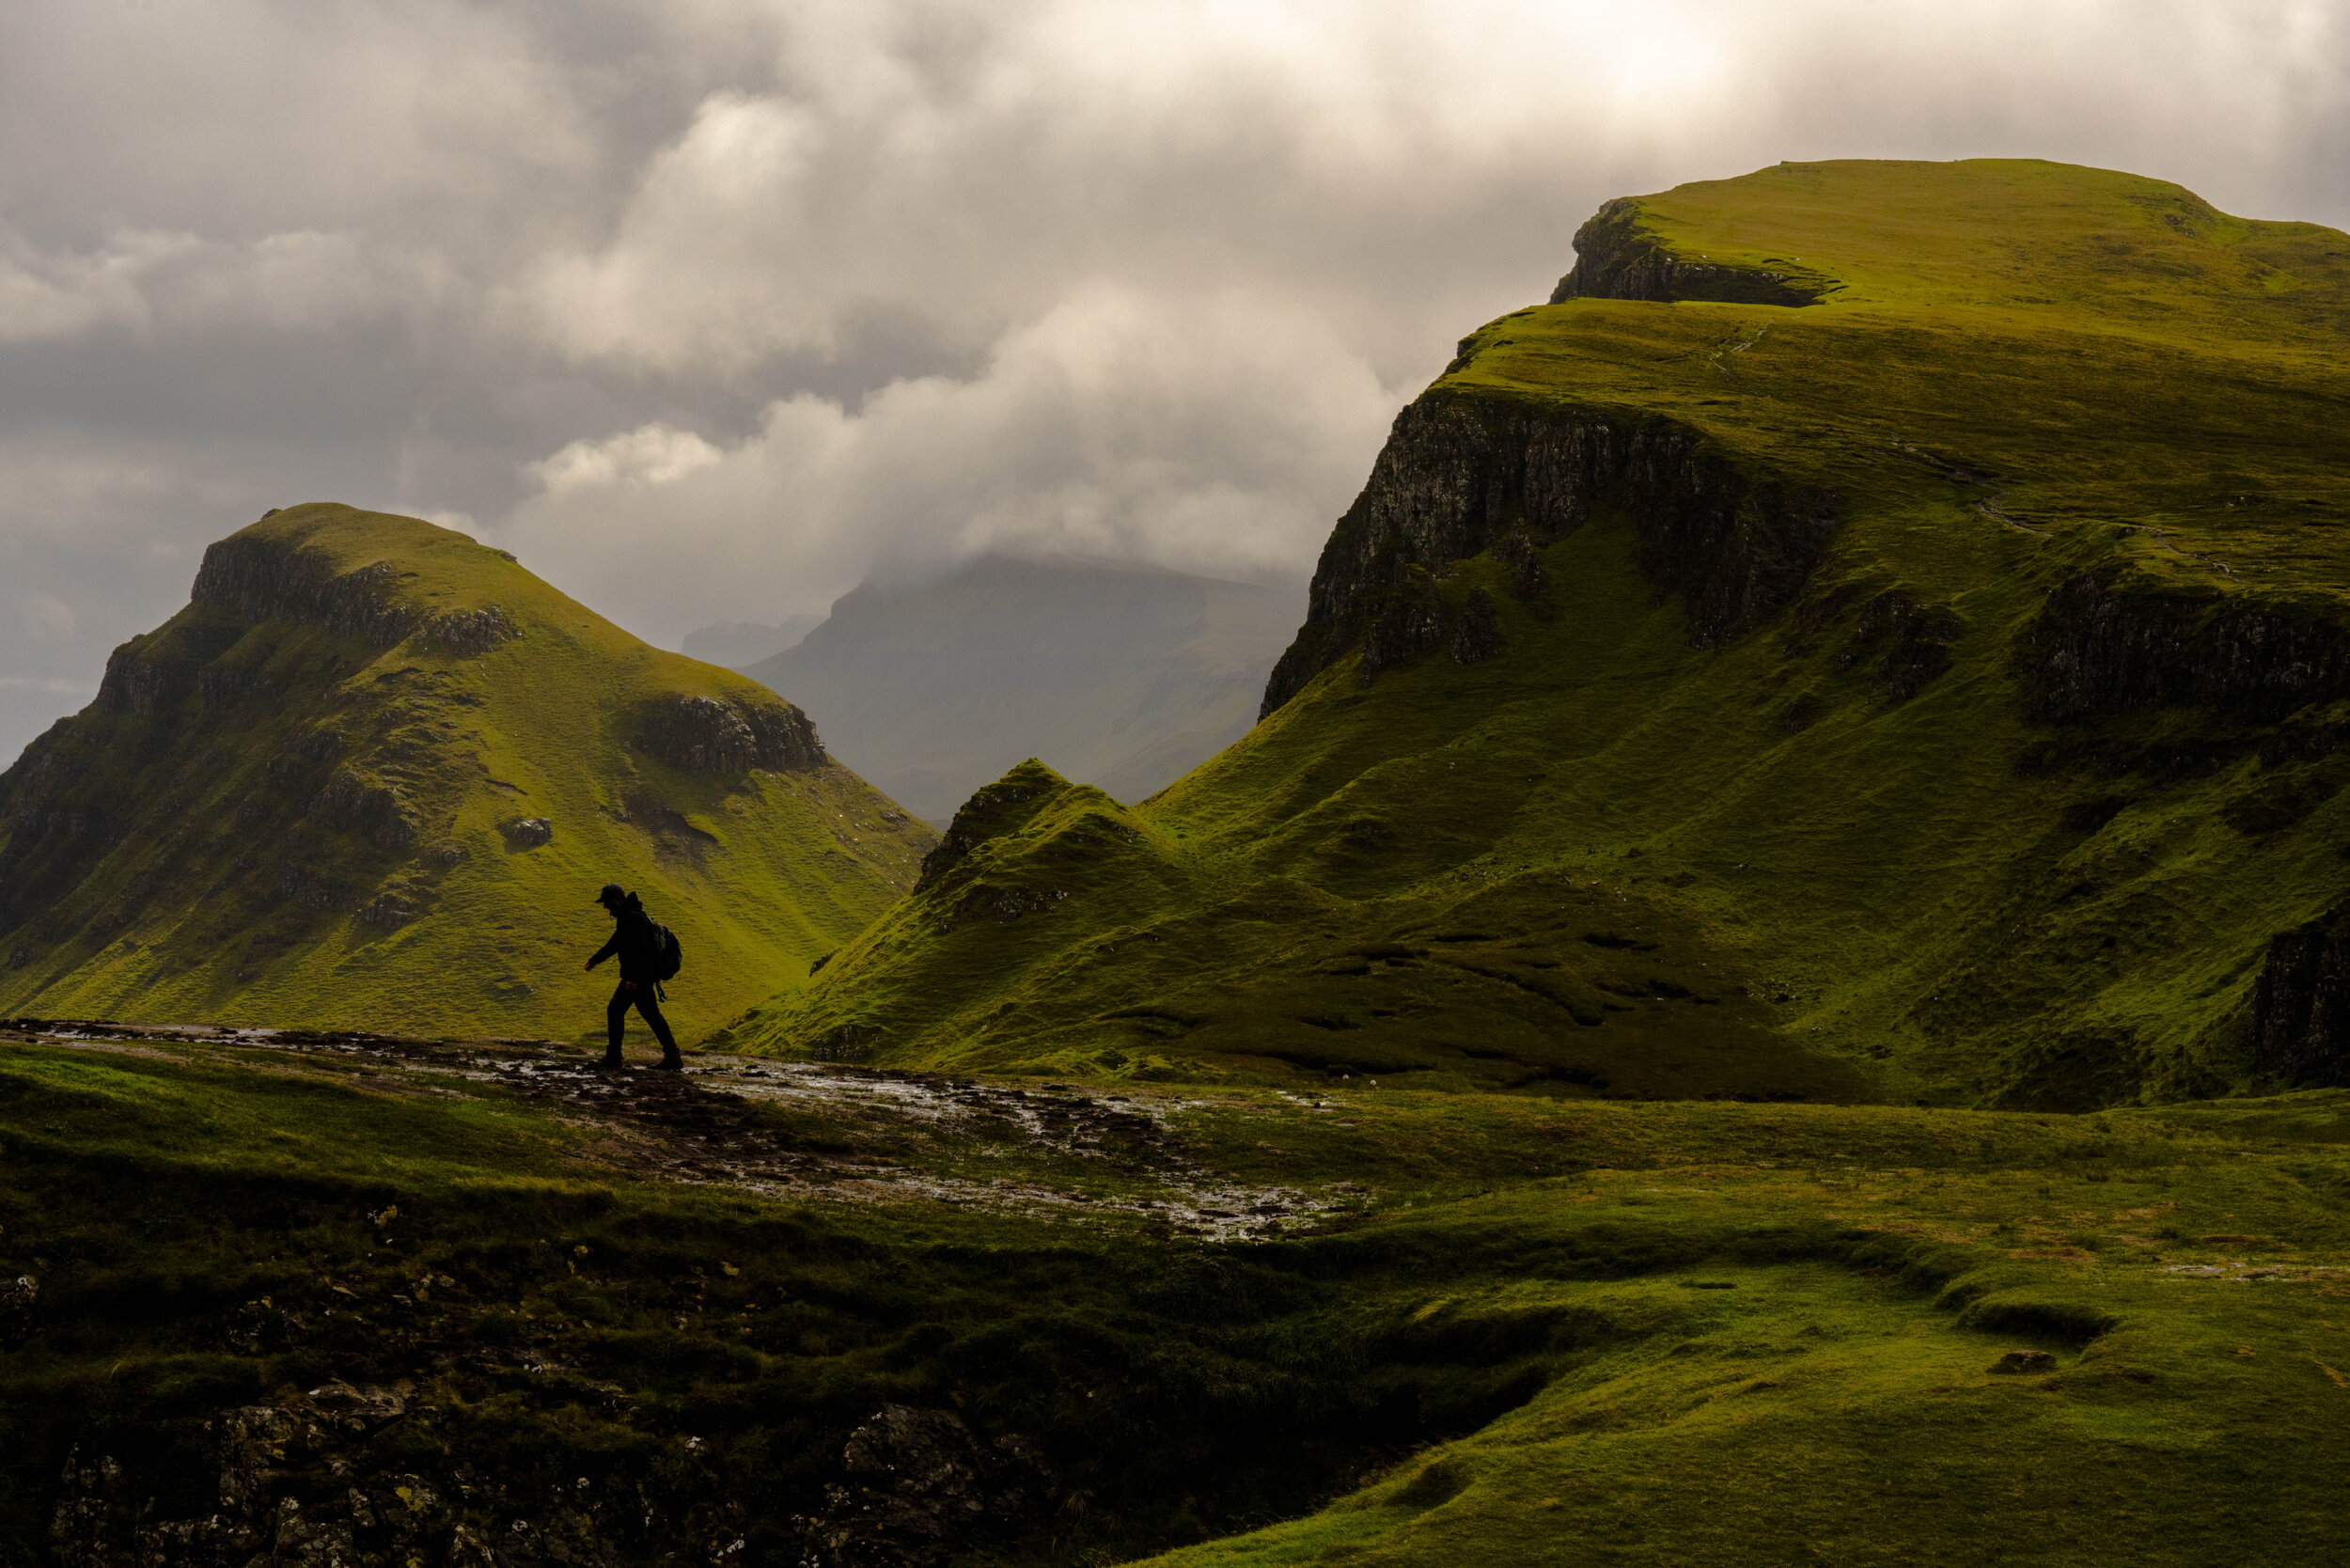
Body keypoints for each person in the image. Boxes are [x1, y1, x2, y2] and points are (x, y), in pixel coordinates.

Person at [586, 883, 682, 1071]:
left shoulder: (632, 919)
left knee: (616, 1010)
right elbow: (615, 943)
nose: (606, 907)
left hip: (639, 978)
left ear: (618, 900)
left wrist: (633, 978)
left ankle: (614, 1057)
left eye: (607, 903)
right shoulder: (628, 917)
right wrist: (594, 960)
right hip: (642, 976)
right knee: (650, 1015)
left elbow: (642, 951)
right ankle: (672, 1055)